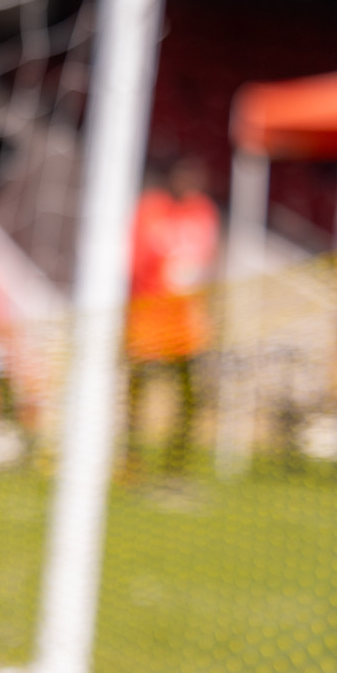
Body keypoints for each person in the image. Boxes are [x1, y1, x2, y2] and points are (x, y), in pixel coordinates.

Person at [122, 156, 219, 482]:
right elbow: (134, 263)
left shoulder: (203, 211)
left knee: (191, 397)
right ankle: (131, 461)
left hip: (187, 324)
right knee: (139, 395)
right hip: (148, 319)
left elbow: (209, 262)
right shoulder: (150, 209)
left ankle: (175, 467)